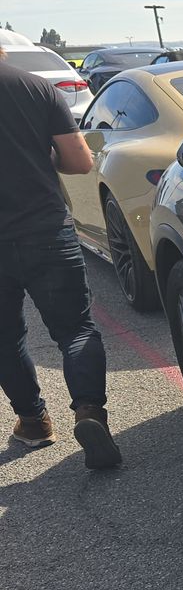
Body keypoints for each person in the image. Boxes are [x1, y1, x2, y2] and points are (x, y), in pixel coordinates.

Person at [0, 43, 121, 468]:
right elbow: (78, 162)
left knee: (4, 337)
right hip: (44, 230)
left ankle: (33, 421)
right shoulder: (34, 88)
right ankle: (90, 413)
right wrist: (37, 156)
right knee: (76, 329)